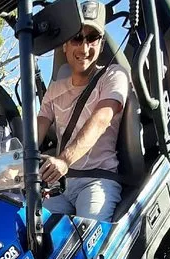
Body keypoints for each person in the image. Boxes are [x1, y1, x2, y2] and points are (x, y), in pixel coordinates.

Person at [36, 0, 129, 221]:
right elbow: (36, 130)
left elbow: (101, 119)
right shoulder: (55, 89)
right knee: (26, 221)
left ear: (101, 44)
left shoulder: (113, 75)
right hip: (64, 186)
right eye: (77, 38)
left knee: (90, 236)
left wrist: (64, 160)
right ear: (65, 46)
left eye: (92, 38)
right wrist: (13, 164)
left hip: (98, 181)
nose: (84, 48)